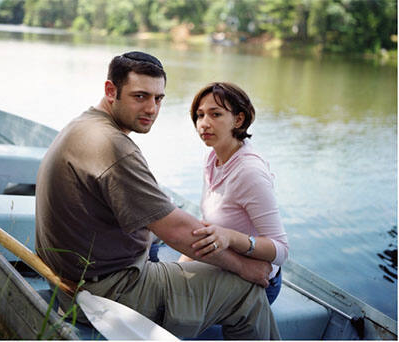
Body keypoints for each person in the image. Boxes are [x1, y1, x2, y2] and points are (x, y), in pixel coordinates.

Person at [35, 51, 281, 340]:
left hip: (71, 281)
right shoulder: (113, 146)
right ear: (110, 91)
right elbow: (177, 231)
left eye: (159, 98)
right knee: (247, 293)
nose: (152, 108)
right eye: (140, 96)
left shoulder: (83, 125)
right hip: (109, 293)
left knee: (157, 241)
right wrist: (245, 267)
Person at [180, 82, 288, 305]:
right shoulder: (213, 159)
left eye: (215, 114)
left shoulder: (249, 172)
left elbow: (281, 250)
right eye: (199, 115)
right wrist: (180, 268)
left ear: (238, 120)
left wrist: (230, 237)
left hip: (256, 282)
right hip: (224, 265)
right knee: (165, 284)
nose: (204, 124)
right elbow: (209, 227)